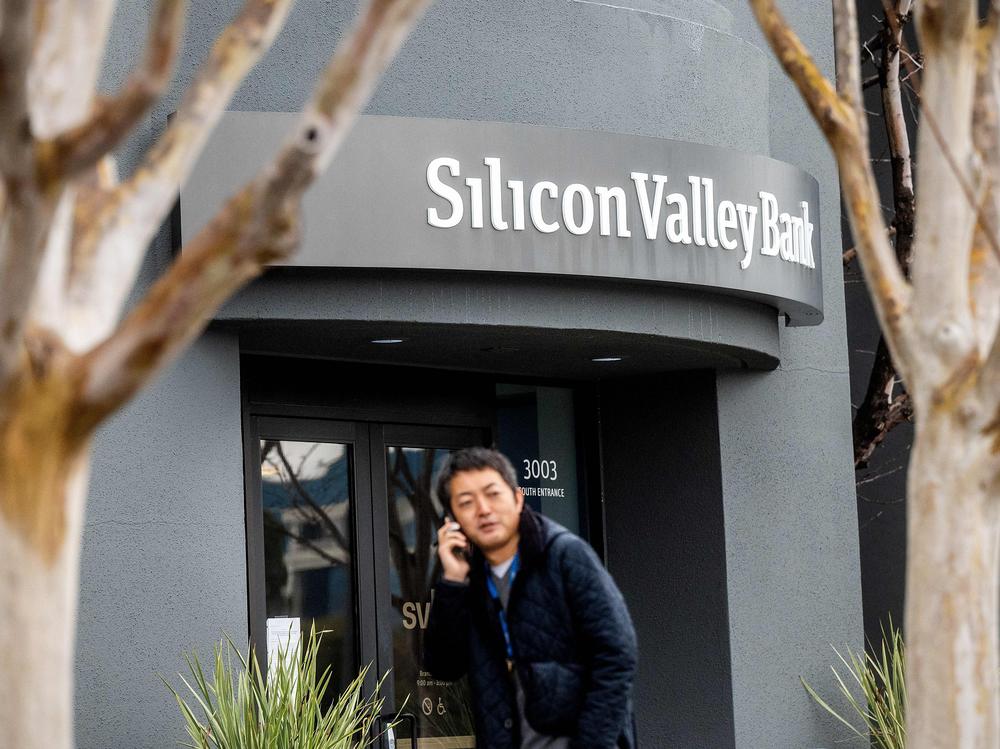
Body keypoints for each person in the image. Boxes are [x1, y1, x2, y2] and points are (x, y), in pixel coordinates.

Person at [424, 447, 638, 749]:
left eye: (493, 494)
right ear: (452, 518)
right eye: (466, 502)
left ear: (518, 497)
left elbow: (617, 655)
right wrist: (453, 581)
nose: (483, 509)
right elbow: (443, 667)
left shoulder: (564, 555)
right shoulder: (468, 582)